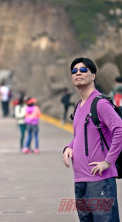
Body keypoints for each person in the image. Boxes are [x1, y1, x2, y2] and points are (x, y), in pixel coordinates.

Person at [63, 57, 122, 221]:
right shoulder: (79, 105)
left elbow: (120, 129)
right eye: (74, 71)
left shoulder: (100, 103)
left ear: (93, 75)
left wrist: (108, 161)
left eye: (83, 70)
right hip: (80, 180)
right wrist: (69, 147)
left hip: (100, 181)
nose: (78, 73)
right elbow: (79, 136)